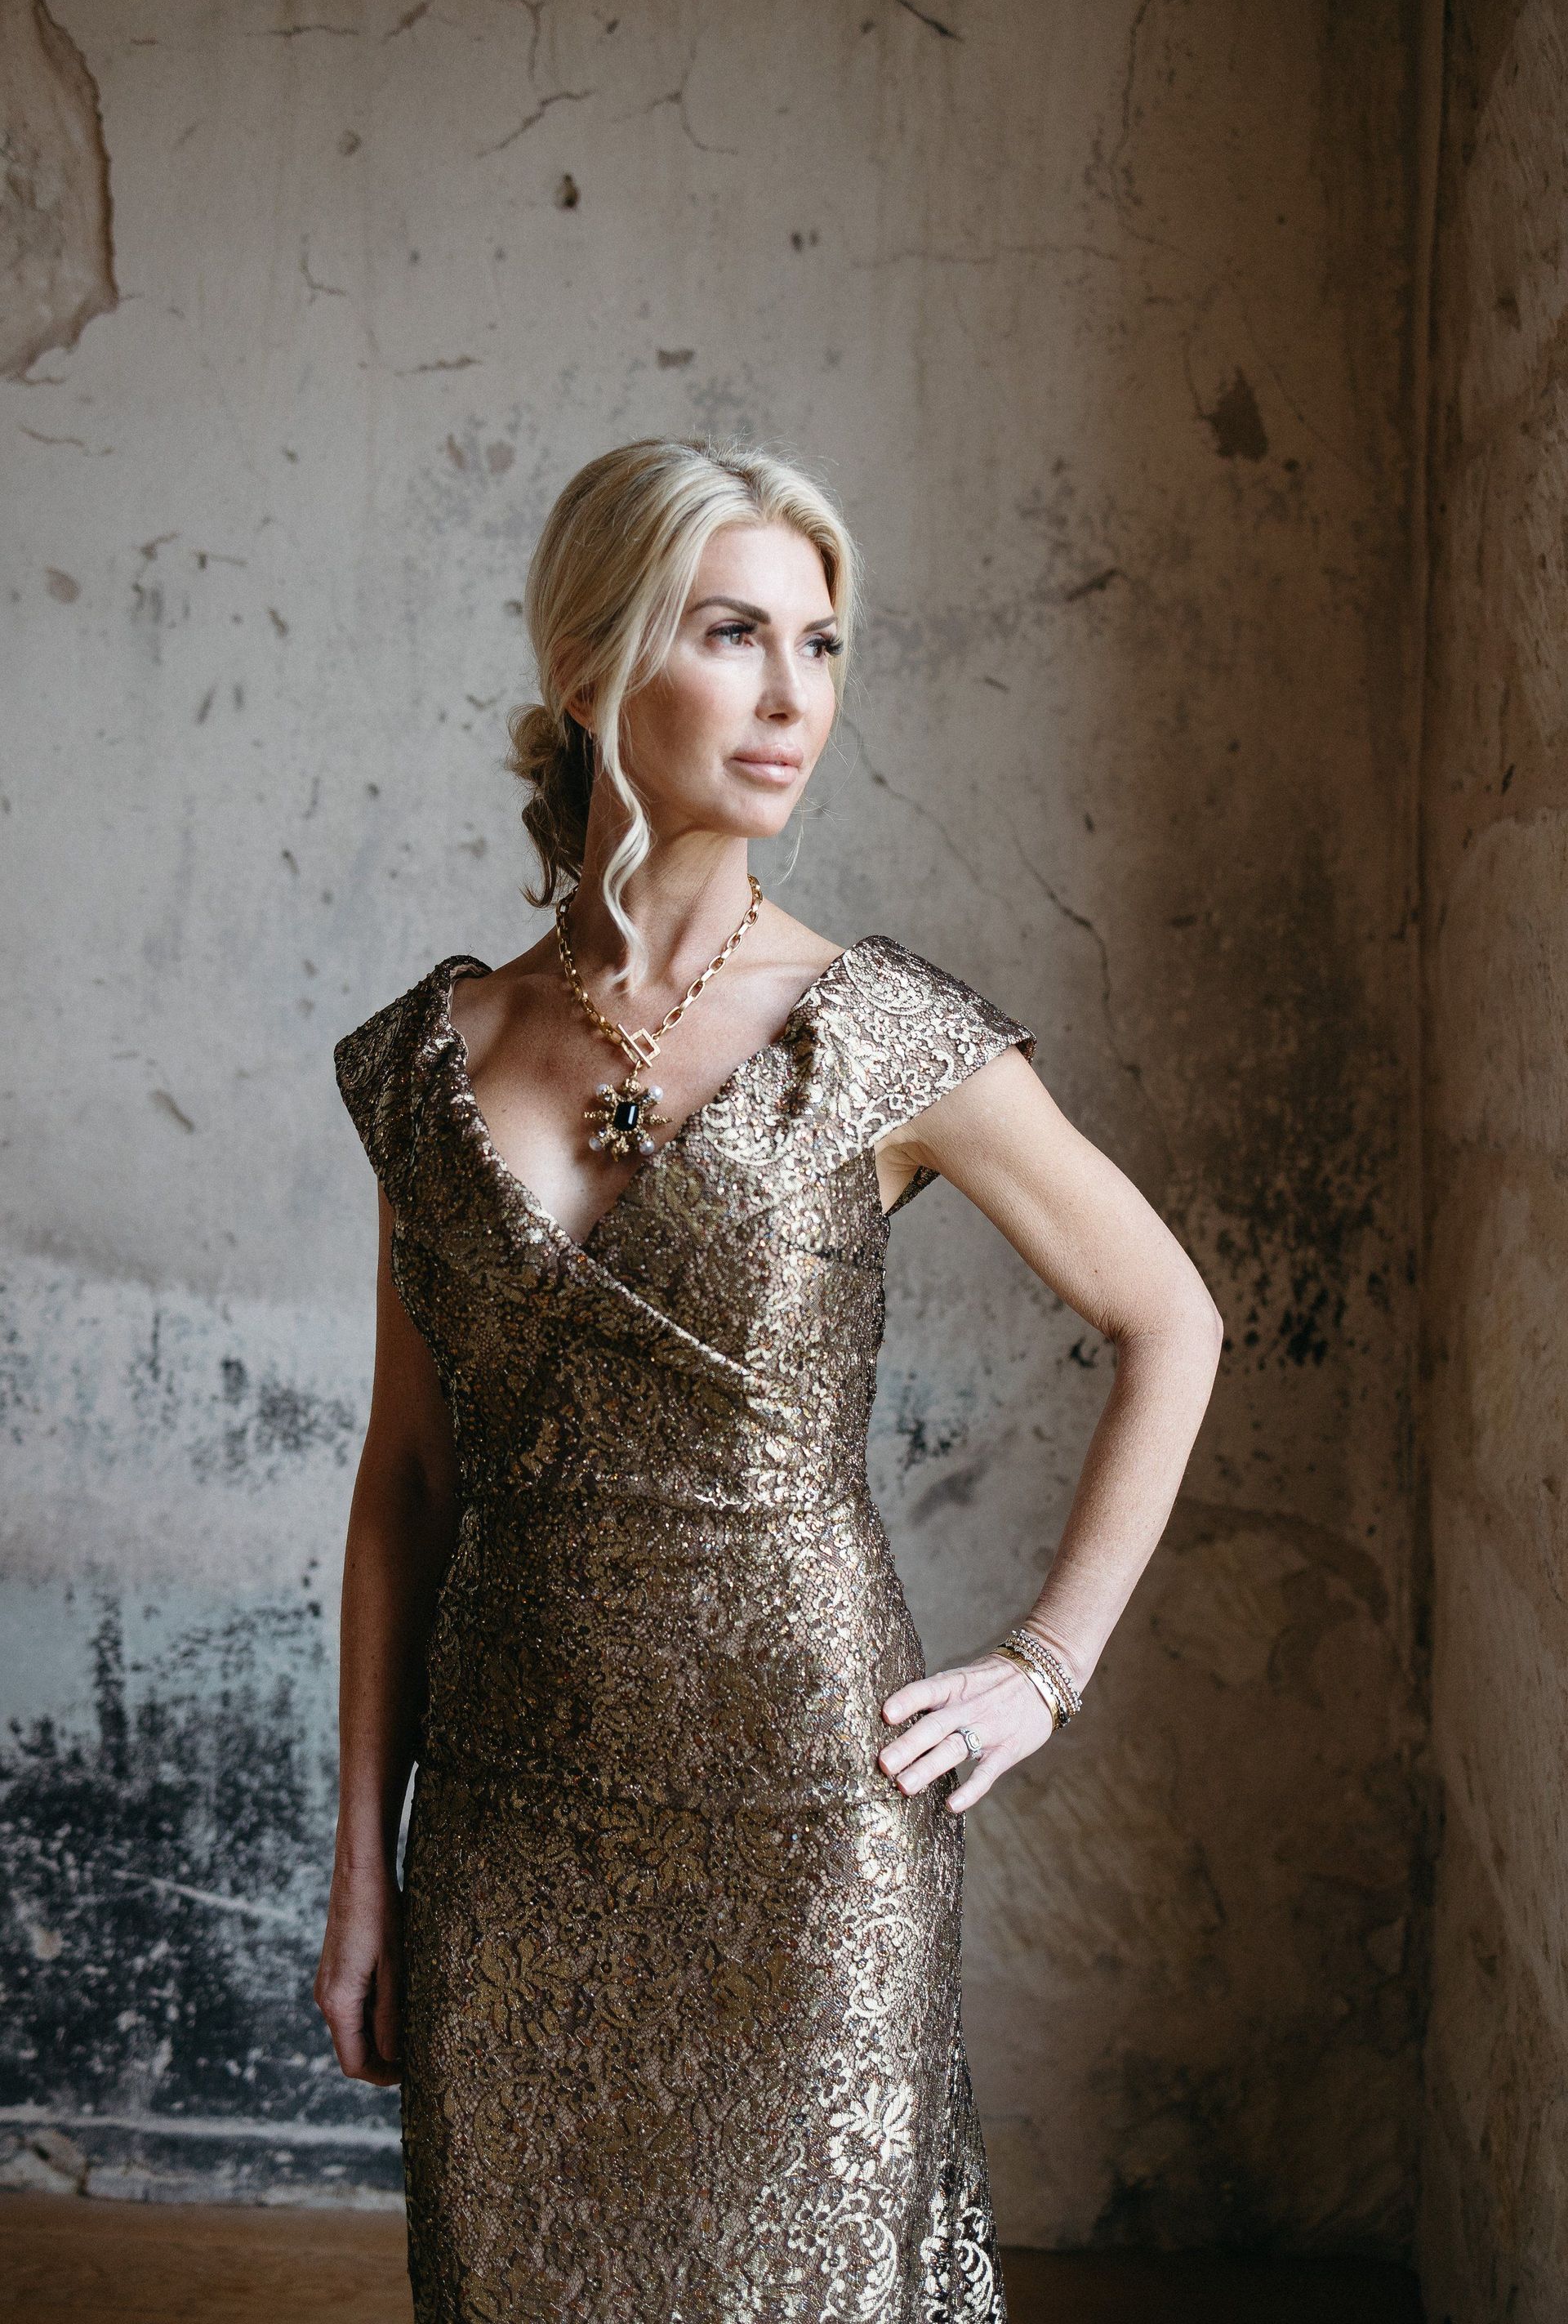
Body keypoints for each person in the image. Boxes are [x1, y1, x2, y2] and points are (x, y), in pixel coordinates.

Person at [314, 435, 1223, 2323]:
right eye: (734, 634)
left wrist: (1048, 1663)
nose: (796, 698)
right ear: (590, 665)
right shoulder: (430, 1057)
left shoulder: (883, 1033)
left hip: (811, 1825)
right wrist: (363, 1874)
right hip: (507, 1823)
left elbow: (1172, 1318)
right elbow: (406, 1480)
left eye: (822, 644)